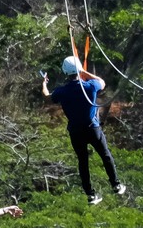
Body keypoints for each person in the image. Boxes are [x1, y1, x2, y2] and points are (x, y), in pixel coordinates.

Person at [43, 55, 126, 205]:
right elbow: (102, 82)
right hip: (92, 128)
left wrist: (43, 83)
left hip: (76, 131)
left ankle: (90, 195)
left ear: (65, 72)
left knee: (83, 161)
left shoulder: (62, 91)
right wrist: (84, 72)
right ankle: (116, 185)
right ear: (79, 70)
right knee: (105, 155)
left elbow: (47, 97)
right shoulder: (90, 85)